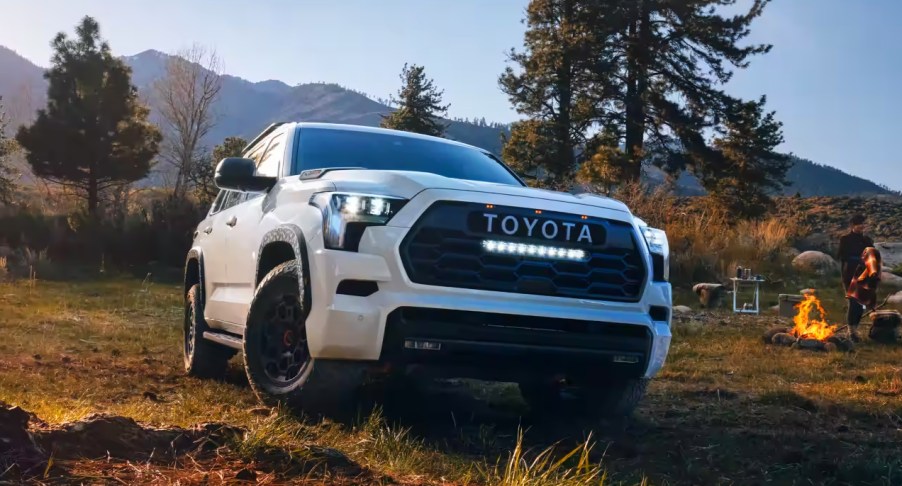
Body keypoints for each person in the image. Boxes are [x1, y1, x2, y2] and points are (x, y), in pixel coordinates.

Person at [845, 246, 882, 341]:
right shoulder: (867, 261)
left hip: (865, 290)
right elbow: (871, 275)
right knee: (854, 309)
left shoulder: (873, 263)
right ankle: (851, 332)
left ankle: (853, 332)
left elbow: (873, 281)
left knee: (860, 310)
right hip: (857, 289)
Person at [838, 214, 874, 292]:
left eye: (863, 224)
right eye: (859, 224)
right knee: (852, 296)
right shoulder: (845, 239)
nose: (861, 226)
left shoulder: (867, 240)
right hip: (850, 272)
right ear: (852, 225)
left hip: (864, 272)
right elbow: (842, 256)